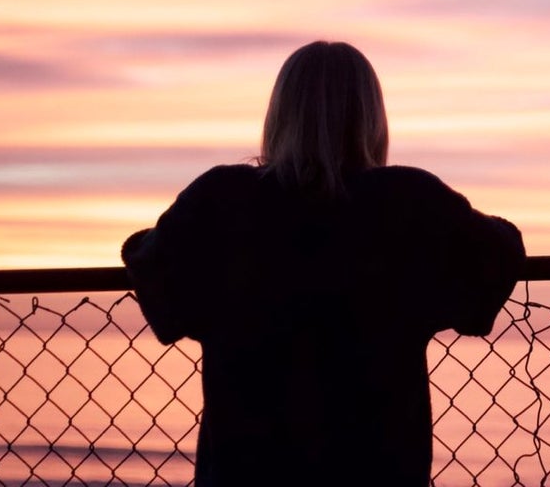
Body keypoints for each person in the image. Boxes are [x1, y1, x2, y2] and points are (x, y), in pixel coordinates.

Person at [122, 41, 525, 486]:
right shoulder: (409, 202)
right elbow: (497, 254)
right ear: (371, 117)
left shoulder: (222, 200)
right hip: (377, 466)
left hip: (246, 468)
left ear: (280, 114)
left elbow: (155, 275)